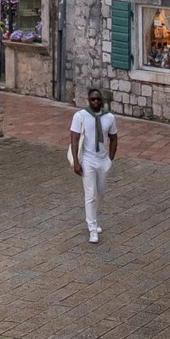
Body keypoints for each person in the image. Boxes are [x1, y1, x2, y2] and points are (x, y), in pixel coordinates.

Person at [68, 85, 118, 243]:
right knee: (90, 194)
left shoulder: (109, 117)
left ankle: (93, 216)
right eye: (92, 99)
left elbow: (114, 138)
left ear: (102, 100)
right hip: (88, 159)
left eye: (98, 99)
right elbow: (74, 138)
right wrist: (76, 161)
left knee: (100, 192)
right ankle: (92, 228)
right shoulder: (80, 116)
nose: (96, 101)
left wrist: (110, 158)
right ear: (88, 100)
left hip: (102, 159)